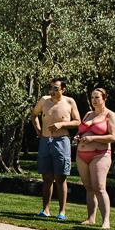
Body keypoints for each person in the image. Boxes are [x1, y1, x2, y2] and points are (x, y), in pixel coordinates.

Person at [31, 77, 81, 220]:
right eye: (51, 88)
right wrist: (38, 130)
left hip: (62, 141)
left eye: (56, 88)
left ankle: (62, 212)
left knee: (60, 177)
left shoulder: (69, 102)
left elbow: (78, 122)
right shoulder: (44, 100)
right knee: (46, 177)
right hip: (45, 141)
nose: (52, 91)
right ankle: (45, 210)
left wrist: (61, 124)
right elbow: (34, 114)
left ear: (63, 89)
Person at [74, 88, 115, 229]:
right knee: (89, 188)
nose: (94, 100)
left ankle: (106, 221)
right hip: (82, 155)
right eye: (92, 97)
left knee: (99, 187)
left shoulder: (110, 115)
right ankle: (91, 218)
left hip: (100, 154)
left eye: (97, 97)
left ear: (104, 98)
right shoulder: (88, 114)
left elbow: (113, 137)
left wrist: (93, 138)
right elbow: (81, 130)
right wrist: (78, 136)